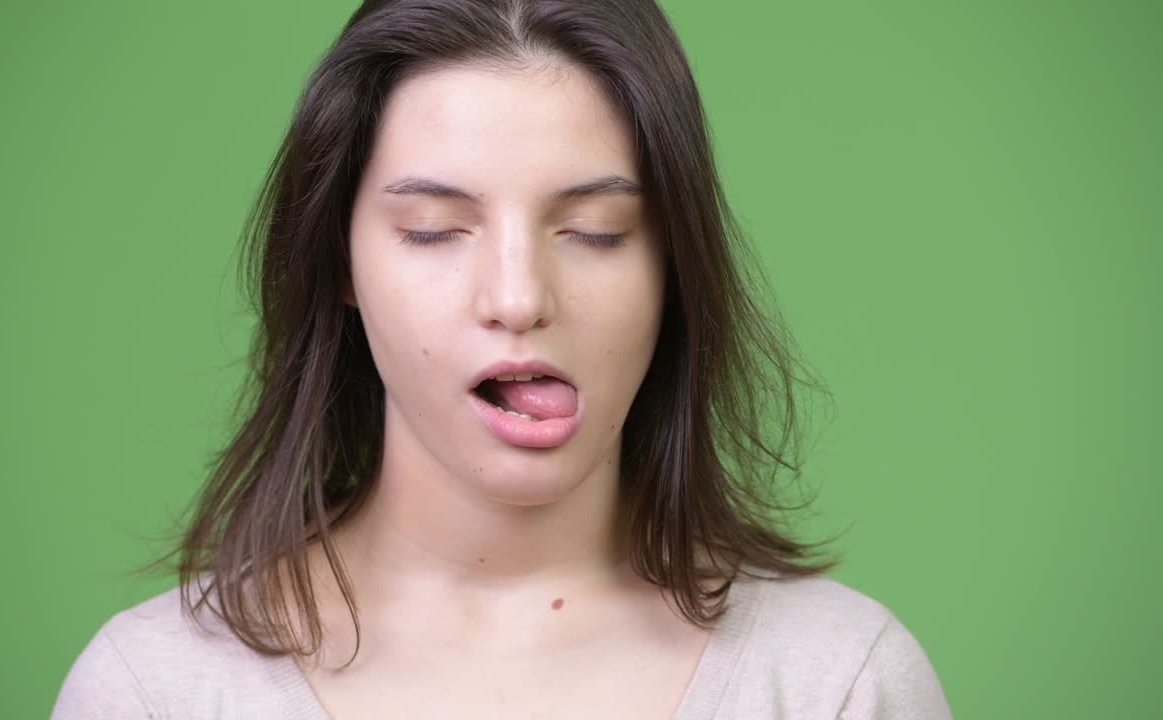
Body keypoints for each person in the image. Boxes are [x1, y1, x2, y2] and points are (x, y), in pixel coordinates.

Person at [52, 0, 952, 717]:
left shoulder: (838, 683)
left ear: (674, 264)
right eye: (435, 230)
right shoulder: (154, 691)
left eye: (597, 233)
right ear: (340, 261)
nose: (519, 298)